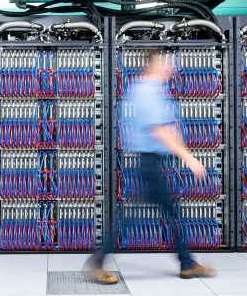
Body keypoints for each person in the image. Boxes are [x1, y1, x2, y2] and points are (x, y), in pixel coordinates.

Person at [86, 49, 215, 283]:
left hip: (151, 161)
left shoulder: (149, 89)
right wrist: (189, 158)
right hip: (150, 162)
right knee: (135, 217)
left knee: (165, 213)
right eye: (167, 65)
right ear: (154, 65)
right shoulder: (148, 92)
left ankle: (186, 263)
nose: (172, 69)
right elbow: (160, 131)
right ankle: (99, 259)